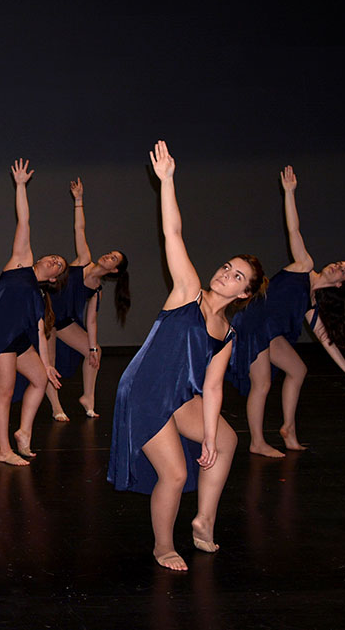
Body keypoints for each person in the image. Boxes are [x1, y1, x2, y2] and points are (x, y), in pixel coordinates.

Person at [107, 140, 265, 572]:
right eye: (227, 266)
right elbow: (172, 233)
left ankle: (203, 520)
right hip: (144, 391)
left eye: (237, 276)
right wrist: (167, 182)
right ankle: (162, 545)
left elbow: (212, 387)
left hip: (179, 396)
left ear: (244, 293)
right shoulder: (187, 292)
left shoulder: (227, 332)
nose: (226, 274)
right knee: (175, 474)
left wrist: (211, 437)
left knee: (228, 440)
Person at [227, 166, 345, 457]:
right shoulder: (304, 266)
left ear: (340, 283)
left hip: (268, 333)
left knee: (298, 369)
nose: (336, 266)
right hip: (253, 326)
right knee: (263, 382)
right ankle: (256, 442)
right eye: (338, 262)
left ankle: (288, 429)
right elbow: (294, 230)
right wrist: (289, 193)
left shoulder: (311, 304)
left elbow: (326, 341)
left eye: (342, 270)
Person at [0, 159, 67, 465]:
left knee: (40, 379)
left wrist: (48, 364)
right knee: (5, 393)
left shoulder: (39, 296)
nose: (53, 261)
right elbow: (24, 223)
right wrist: (21, 186)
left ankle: (23, 432)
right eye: (53, 257)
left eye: (59, 265)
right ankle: (3, 450)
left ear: (53, 279)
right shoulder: (20, 262)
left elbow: (40, 331)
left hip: (18, 338)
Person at [42, 178, 130, 420]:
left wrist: (91, 348)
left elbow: (91, 322)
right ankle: (56, 406)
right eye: (110, 253)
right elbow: (79, 230)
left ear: (114, 271)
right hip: (46, 314)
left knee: (96, 351)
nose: (108, 257)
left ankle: (88, 398)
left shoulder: (96, 290)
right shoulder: (83, 260)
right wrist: (78, 200)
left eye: (113, 259)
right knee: (48, 362)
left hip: (65, 322)